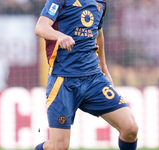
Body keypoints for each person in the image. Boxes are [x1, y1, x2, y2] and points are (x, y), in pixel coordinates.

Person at [34, 0, 138, 149]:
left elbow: (99, 33)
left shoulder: (100, 3)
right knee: (58, 146)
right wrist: (59, 36)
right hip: (63, 81)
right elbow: (40, 27)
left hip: (94, 79)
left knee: (130, 128)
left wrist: (104, 68)